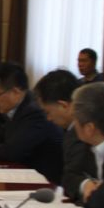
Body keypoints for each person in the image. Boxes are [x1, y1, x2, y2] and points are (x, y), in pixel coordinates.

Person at [33, 69, 86, 199]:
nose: (48, 119)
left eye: (48, 112)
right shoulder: (70, 130)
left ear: (64, 105)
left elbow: (71, 178)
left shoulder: (84, 133)